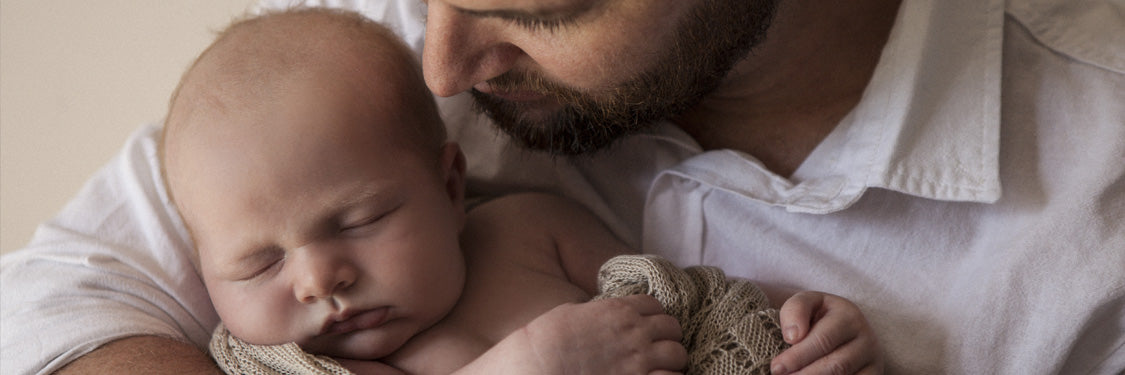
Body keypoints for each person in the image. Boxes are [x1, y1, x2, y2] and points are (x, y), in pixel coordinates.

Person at [1, 0, 1122, 374]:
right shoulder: (347, 64)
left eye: (541, 12)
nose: (441, 67)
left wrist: (804, 334)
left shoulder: (1094, 201)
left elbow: (713, 317)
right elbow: (55, 297)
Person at [158, 7, 875, 375]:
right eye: (256, 264)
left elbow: (686, 302)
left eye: (361, 219)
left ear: (449, 186)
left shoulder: (531, 230)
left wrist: (796, 329)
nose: (320, 279)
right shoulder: (285, 360)